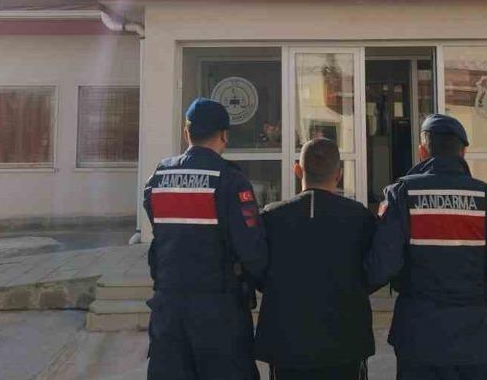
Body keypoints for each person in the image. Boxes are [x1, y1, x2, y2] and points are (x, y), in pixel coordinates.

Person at [366, 114, 487, 380]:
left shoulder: (401, 195)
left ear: (422, 151)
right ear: (463, 152)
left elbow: (381, 267)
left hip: (418, 338)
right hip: (475, 340)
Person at [142, 98, 267, 380]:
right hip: (219, 312)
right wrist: (265, 282)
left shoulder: (159, 176)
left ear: (187, 132)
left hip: (168, 309)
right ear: (224, 135)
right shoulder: (231, 180)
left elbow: (159, 232)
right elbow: (251, 249)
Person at [255, 138, 376, 380]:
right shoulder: (360, 217)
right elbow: (377, 268)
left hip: (287, 344)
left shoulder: (272, 216)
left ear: (297, 170)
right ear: (339, 174)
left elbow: (256, 266)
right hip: (345, 343)